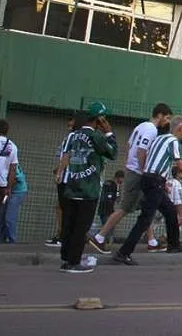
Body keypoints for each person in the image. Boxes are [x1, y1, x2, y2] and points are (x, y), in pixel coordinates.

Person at [110, 115, 182, 266]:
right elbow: (179, 164)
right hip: (155, 181)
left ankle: (174, 244)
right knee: (145, 219)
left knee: (170, 211)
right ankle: (124, 252)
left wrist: (164, 182)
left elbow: (155, 159)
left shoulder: (159, 138)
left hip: (150, 179)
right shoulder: (173, 141)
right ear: (181, 129)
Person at [88, 103, 173, 253]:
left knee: (148, 207)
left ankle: (152, 241)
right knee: (125, 208)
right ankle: (99, 237)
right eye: (166, 117)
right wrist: (145, 170)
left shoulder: (140, 126)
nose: (167, 121)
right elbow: (142, 151)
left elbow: (130, 145)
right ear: (159, 115)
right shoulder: (151, 129)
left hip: (133, 170)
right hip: (138, 173)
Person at [57, 104, 118, 272]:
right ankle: (74, 262)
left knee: (69, 225)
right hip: (88, 190)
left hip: (71, 187)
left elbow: (66, 155)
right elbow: (112, 153)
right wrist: (109, 134)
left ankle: (66, 258)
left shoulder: (73, 136)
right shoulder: (95, 136)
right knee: (81, 227)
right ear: (99, 119)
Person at [46, 118, 75, 247]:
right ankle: (61, 233)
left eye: (71, 125)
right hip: (66, 176)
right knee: (60, 207)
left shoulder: (72, 138)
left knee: (65, 207)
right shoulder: (69, 138)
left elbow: (67, 156)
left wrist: (59, 172)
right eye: (68, 125)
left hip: (68, 178)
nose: (69, 128)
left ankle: (64, 236)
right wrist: (58, 169)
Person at [0, 163, 27, 243]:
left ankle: (12, 240)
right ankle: (0, 239)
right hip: (7, 192)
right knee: (1, 214)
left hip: (17, 192)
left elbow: (15, 179)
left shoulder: (13, 164)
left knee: (9, 217)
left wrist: (7, 188)